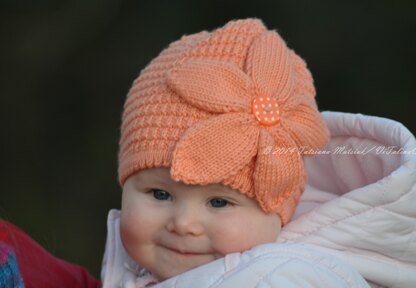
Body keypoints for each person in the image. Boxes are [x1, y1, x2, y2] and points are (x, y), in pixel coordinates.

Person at [101, 18, 413, 287]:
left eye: (219, 201)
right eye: (159, 194)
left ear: (280, 213)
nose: (184, 223)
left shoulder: (281, 280)